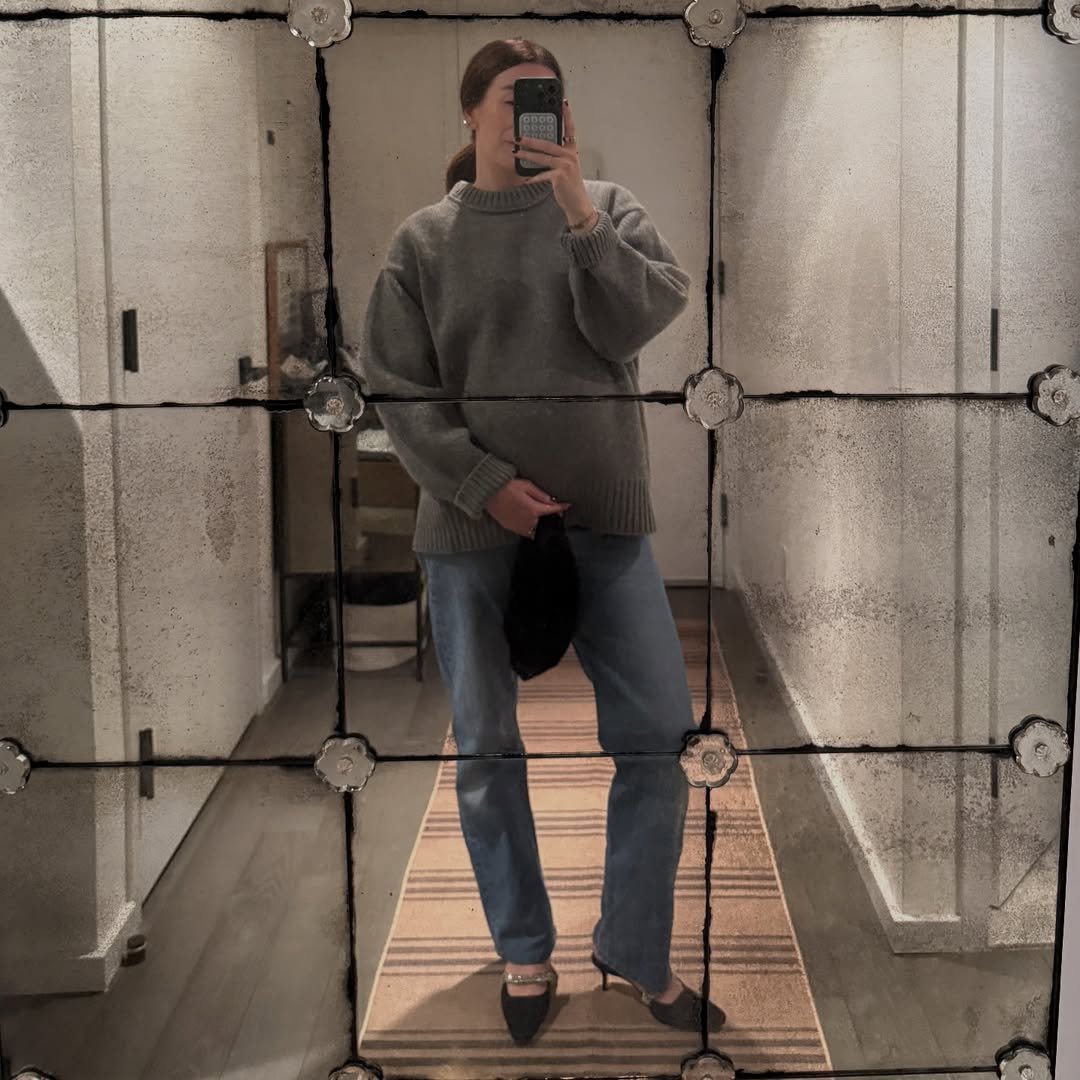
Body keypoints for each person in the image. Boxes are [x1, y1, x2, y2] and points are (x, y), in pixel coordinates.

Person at [354, 37, 726, 1046]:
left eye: (552, 100)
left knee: (660, 741)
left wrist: (578, 219)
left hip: (604, 522)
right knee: (486, 750)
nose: (540, 116)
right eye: (519, 98)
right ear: (471, 111)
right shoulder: (424, 242)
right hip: (471, 531)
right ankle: (524, 950)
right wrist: (486, 488)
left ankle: (633, 948)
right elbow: (400, 390)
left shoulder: (605, 207)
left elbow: (635, 322)